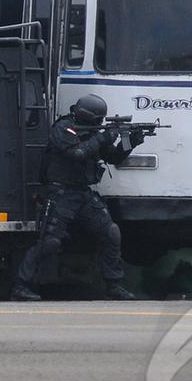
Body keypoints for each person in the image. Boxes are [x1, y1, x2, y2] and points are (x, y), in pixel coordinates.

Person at [12, 94, 141, 301]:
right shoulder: (64, 128)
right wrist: (104, 137)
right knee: (50, 241)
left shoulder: (94, 133)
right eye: (98, 120)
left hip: (83, 193)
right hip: (61, 193)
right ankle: (21, 285)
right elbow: (77, 153)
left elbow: (113, 157)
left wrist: (130, 142)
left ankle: (114, 284)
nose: (100, 124)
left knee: (111, 232)